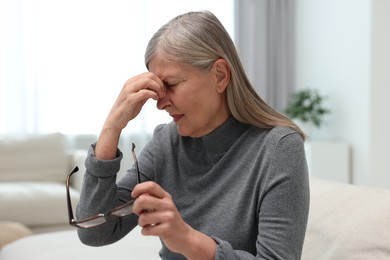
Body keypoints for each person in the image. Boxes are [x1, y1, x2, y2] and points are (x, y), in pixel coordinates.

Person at [75, 10, 310, 260]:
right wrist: (112, 127)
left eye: (171, 85)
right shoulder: (166, 142)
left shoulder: (279, 148)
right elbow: (94, 232)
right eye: (158, 88)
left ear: (220, 76)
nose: (160, 103)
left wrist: (188, 240)